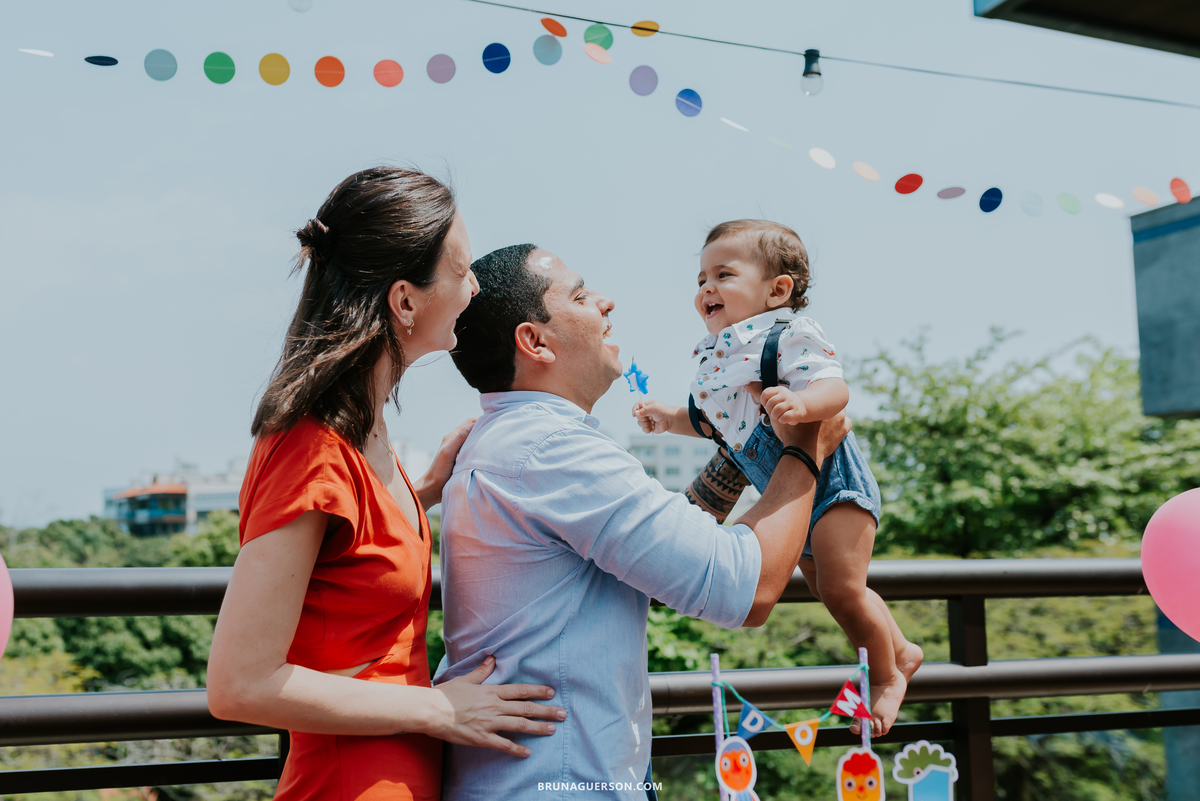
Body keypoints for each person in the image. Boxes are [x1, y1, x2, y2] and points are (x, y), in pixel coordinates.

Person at [436, 243, 850, 800]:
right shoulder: (553, 449)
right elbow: (745, 586)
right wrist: (804, 448)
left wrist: (741, 445)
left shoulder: (512, 441)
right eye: (581, 295)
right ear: (534, 341)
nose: (607, 302)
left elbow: (660, 551)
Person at [206, 168, 565, 801]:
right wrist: (438, 710)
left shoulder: (364, 434)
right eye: (461, 271)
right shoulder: (308, 448)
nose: (475, 288)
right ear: (405, 300)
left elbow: (349, 558)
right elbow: (239, 684)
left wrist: (421, 494)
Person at [632, 219, 923, 736]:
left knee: (840, 588)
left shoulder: (784, 335)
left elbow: (835, 393)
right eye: (701, 279)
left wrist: (802, 403)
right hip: (792, 497)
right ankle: (900, 647)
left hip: (834, 486)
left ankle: (886, 676)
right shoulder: (716, 354)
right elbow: (714, 424)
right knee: (824, 585)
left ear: (778, 290)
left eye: (723, 275)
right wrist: (671, 418)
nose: (706, 289)